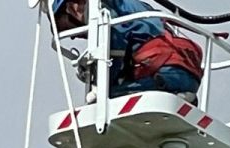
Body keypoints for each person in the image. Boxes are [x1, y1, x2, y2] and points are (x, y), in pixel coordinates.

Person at [53, 0, 205, 98]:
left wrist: (102, 84)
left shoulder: (103, 11)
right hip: (184, 73)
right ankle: (183, 94)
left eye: (64, 25)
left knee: (107, 99)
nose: (73, 36)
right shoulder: (130, 6)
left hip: (162, 73)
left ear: (71, 6)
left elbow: (115, 48)